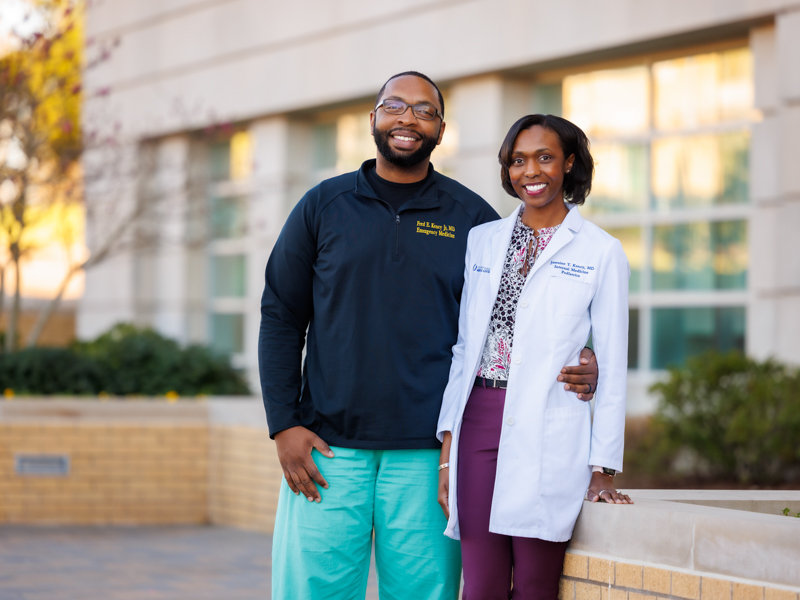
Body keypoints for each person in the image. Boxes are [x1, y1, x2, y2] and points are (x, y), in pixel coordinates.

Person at [259, 74, 599, 600]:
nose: (407, 119)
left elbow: (531, 309)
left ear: (441, 129)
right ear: (373, 118)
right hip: (326, 451)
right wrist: (284, 424)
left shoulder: (475, 222)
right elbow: (281, 315)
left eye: (423, 111)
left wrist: (587, 355)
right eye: (394, 106)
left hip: (428, 457)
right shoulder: (322, 206)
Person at [436, 114, 633, 600]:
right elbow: (466, 348)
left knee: (534, 583)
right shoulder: (483, 240)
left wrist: (603, 467)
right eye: (518, 160)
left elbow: (610, 362)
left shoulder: (601, 252)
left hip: (550, 422)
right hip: (478, 418)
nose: (531, 171)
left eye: (545, 157)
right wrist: (447, 450)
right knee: (480, 584)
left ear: (568, 163)